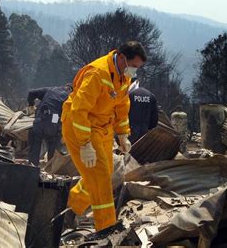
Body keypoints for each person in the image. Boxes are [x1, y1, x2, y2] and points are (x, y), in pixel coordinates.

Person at [61, 41, 147, 231]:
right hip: (81, 127)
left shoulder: (123, 77)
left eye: (138, 68)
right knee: (100, 180)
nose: (134, 71)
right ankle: (105, 228)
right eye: (134, 66)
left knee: (103, 173)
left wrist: (123, 134)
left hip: (102, 129)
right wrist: (84, 144)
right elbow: (78, 111)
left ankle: (69, 207)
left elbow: (122, 105)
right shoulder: (97, 74)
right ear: (122, 58)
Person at [26, 84, 72, 165]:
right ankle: (51, 166)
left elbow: (31, 92)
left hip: (40, 120)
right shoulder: (69, 98)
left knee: (35, 142)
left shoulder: (50, 90)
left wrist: (31, 105)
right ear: (70, 90)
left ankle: (33, 166)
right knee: (53, 142)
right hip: (53, 122)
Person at [128, 78, 158, 143]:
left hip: (129, 133)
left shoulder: (129, 95)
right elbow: (154, 119)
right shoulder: (151, 95)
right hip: (145, 135)